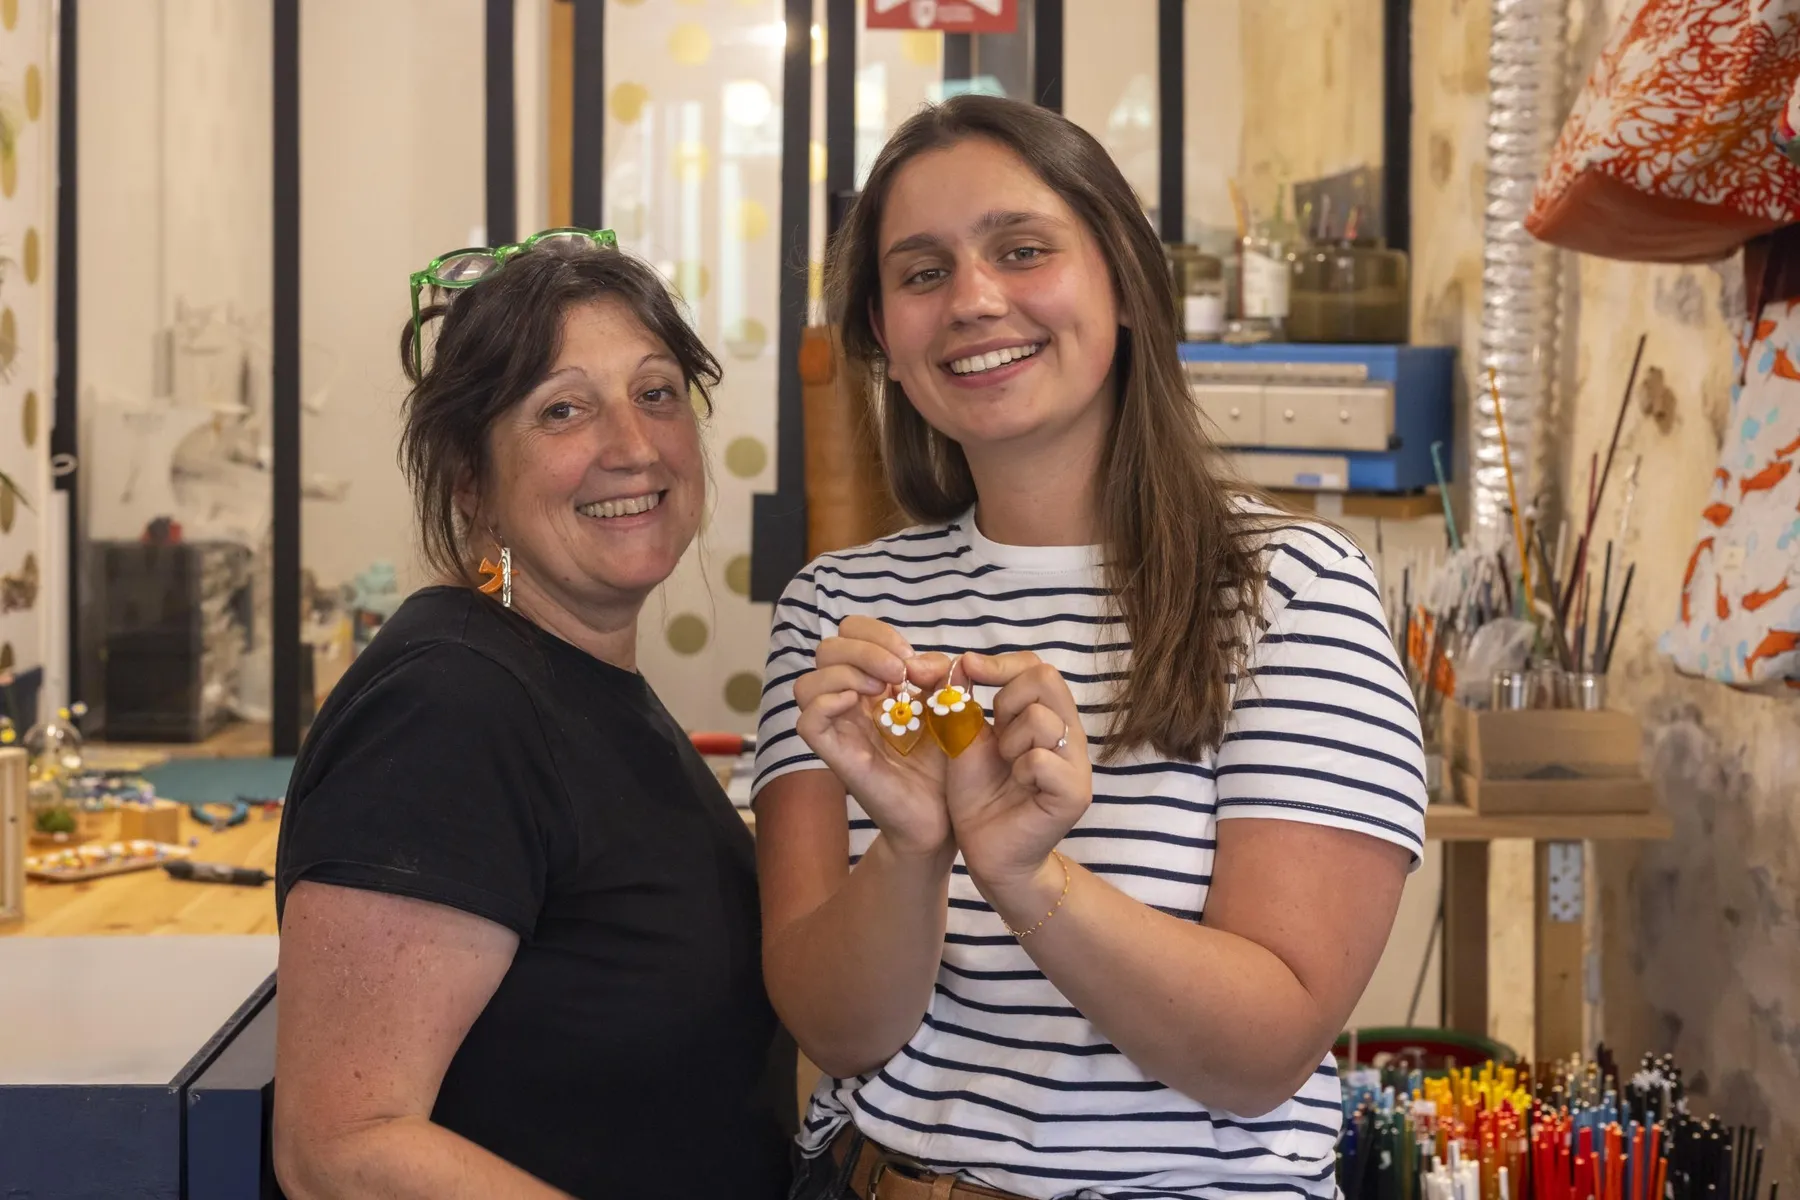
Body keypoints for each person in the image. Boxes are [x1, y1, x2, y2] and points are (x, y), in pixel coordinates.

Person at [754, 96, 1426, 1200]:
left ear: (1124, 281)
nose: (974, 300)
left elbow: (1260, 1055)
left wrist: (1027, 873)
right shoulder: (838, 615)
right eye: (922, 272)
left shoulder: (1293, 594)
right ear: (883, 337)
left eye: (1022, 250)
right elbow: (837, 1031)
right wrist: (913, 849)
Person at [272, 230, 791, 1200]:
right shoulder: (450, 707)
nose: (633, 446)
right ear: (471, 482)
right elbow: (342, 1148)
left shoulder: (577, 683)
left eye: (656, 392)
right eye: (563, 409)